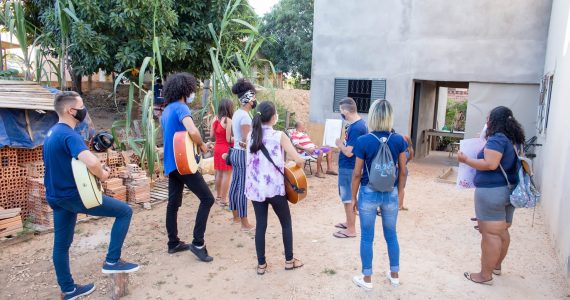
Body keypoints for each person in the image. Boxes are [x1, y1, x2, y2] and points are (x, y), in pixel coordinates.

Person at [44, 91, 139, 299]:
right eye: (81, 106)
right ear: (71, 111)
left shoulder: (51, 134)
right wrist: (103, 174)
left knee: (61, 244)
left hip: (55, 196)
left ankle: (68, 289)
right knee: (125, 211)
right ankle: (112, 261)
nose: (84, 110)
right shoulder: (70, 135)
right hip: (72, 196)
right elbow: (92, 162)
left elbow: (66, 165)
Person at [457, 106, 525, 285]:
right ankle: (496, 266)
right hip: (509, 190)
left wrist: (466, 160)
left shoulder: (497, 139)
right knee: (501, 231)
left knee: (490, 235)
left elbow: (490, 164)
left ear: (494, 121)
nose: (486, 122)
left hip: (492, 192)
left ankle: (484, 275)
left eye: (488, 119)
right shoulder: (514, 139)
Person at [350, 99, 408, 290]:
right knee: (391, 235)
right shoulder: (399, 140)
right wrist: (400, 194)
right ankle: (395, 275)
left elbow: (357, 173)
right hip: (390, 193)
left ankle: (367, 279)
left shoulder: (363, 141)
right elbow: (403, 170)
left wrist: (353, 198)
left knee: (367, 237)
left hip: (368, 192)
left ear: (373, 116)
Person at [245, 101, 305, 275]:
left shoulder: (250, 135)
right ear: (272, 118)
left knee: (261, 226)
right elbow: (299, 159)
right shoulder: (279, 135)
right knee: (286, 223)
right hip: (275, 189)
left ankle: (261, 265)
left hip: (256, 189)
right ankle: (289, 261)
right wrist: (293, 164)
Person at [161, 73, 215, 262]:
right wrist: (201, 145)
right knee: (207, 199)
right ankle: (198, 243)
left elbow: (176, 136)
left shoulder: (166, 110)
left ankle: (173, 243)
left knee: (173, 204)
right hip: (183, 163)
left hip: (171, 163)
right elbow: (191, 130)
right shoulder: (181, 108)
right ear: (186, 90)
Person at [333, 97, 368, 238]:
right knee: (346, 196)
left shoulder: (357, 128)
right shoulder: (356, 125)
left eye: (341, 110)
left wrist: (340, 144)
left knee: (348, 197)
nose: (341, 113)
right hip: (348, 167)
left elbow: (349, 152)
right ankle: (349, 222)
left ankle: (351, 229)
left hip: (349, 167)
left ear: (347, 111)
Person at [227, 79, 256, 231]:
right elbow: (246, 139)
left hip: (235, 153)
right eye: (253, 97)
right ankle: (245, 223)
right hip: (242, 154)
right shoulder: (245, 116)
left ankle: (236, 216)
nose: (255, 100)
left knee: (235, 184)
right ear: (248, 98)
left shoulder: (237, 113)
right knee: (243, 187)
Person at [210, 99, 234, 207]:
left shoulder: (214, 119)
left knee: (219, 173)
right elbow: (228, 139)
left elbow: (211, 135)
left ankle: (218, 196)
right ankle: (224, 200)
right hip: (225, 148)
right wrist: (238, 138)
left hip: (217, 148)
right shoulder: (228, 120)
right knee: (227, 174)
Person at [398, 135, 414, 210]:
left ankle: (400, 205)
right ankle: (400, 204)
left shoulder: (404, 152)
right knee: (401, 188)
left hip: (401, 170)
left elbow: (402, 163)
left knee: (400, 188)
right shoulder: (410, 151)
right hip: (405, 169)